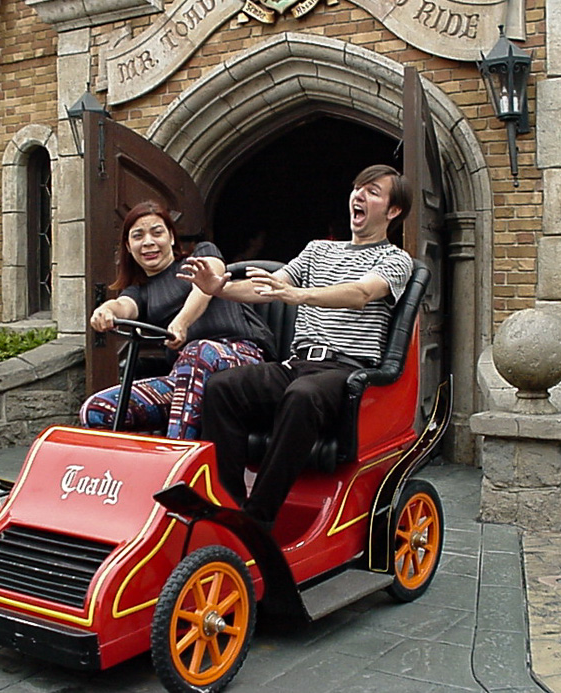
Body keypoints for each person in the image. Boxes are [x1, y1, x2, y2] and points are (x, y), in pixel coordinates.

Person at [179, 164, 414, 529]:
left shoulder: (395, 259)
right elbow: (268, 288)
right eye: (356, 188)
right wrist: (218, 289)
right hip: (296, 364)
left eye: (372, 191)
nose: (358, 196)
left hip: (344, 371)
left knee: (303, 395)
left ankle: (258, 517)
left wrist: (301, 295)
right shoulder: (317, 250)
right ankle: (226, 503)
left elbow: (362, 293)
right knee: (223, 387)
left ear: (393, 210)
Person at [79, 200, 275, 440]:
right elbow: (122, 306)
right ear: (129, 247)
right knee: (98, 409)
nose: (148, 242)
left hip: (242, 361)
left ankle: (176, 465)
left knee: (198, 351)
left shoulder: (202, 254)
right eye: (138, 236)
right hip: (186, 379)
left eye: (157, 232)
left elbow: (206, 286)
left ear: (171, 237)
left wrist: (182, 322)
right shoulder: (141, 291)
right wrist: (106, 311)